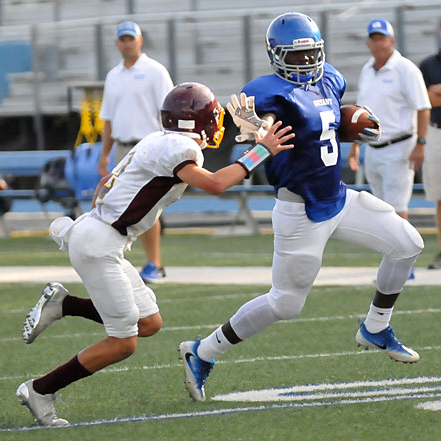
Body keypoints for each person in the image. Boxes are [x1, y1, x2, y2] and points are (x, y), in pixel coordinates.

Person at [178, 12, 424, 403]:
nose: (306, 63)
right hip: (300, 211)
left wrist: (352, 124)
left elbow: (326, 124)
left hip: (339, 198)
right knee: (285, 304)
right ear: (276, 55)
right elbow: (254, 118)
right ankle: (202, 351)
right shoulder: (267, 90)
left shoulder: (332, 79)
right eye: (296, 56)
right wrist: (254, 128)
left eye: (311, 54)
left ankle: (376, 328)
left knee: (408, 244)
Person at [15, 82, 294, 426]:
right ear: (196, 122)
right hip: (98, 245)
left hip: (101, 238)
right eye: (211, 118)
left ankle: (64, 304)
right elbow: (217, 184)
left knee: (149, 323)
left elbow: (107, 184)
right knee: (123, 344)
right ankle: (41, 390)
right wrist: (261, 151)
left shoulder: (159, 140)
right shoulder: (178, 148)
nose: (216, 124)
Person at [347, 19, 431, 279]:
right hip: (374, 147)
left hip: (400, 145)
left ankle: (404, 267)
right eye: (374, 38)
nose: (378, 42)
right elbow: (361, 115)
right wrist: (355, 146)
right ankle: (392, 263)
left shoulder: (405, 69)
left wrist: (420, 143)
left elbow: (423, 107)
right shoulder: (367, 69)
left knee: (397, 207)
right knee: (382, 209)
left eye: (382, 37)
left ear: (392, 40)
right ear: (368, 43)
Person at [98, 21, 174, 283]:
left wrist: (168, 146)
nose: (128, 43)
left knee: (146, 204)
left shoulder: (155, 71)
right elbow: (107, 118)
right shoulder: (113, 75)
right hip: (122, 146)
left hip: (149, 146)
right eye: (124, 39)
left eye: (132, 38)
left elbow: (169, 111)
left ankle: (155, 263)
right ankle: (121, 261)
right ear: (117, 43)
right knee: (118, 204)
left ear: (140, 40)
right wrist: (104, 154)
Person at [419, 20, 441, 269]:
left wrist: (438, 92)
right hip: (436, 133)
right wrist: (433, 95)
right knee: (440, 198)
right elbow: (424, 99)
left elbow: (434, 95)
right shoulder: (428, 65)